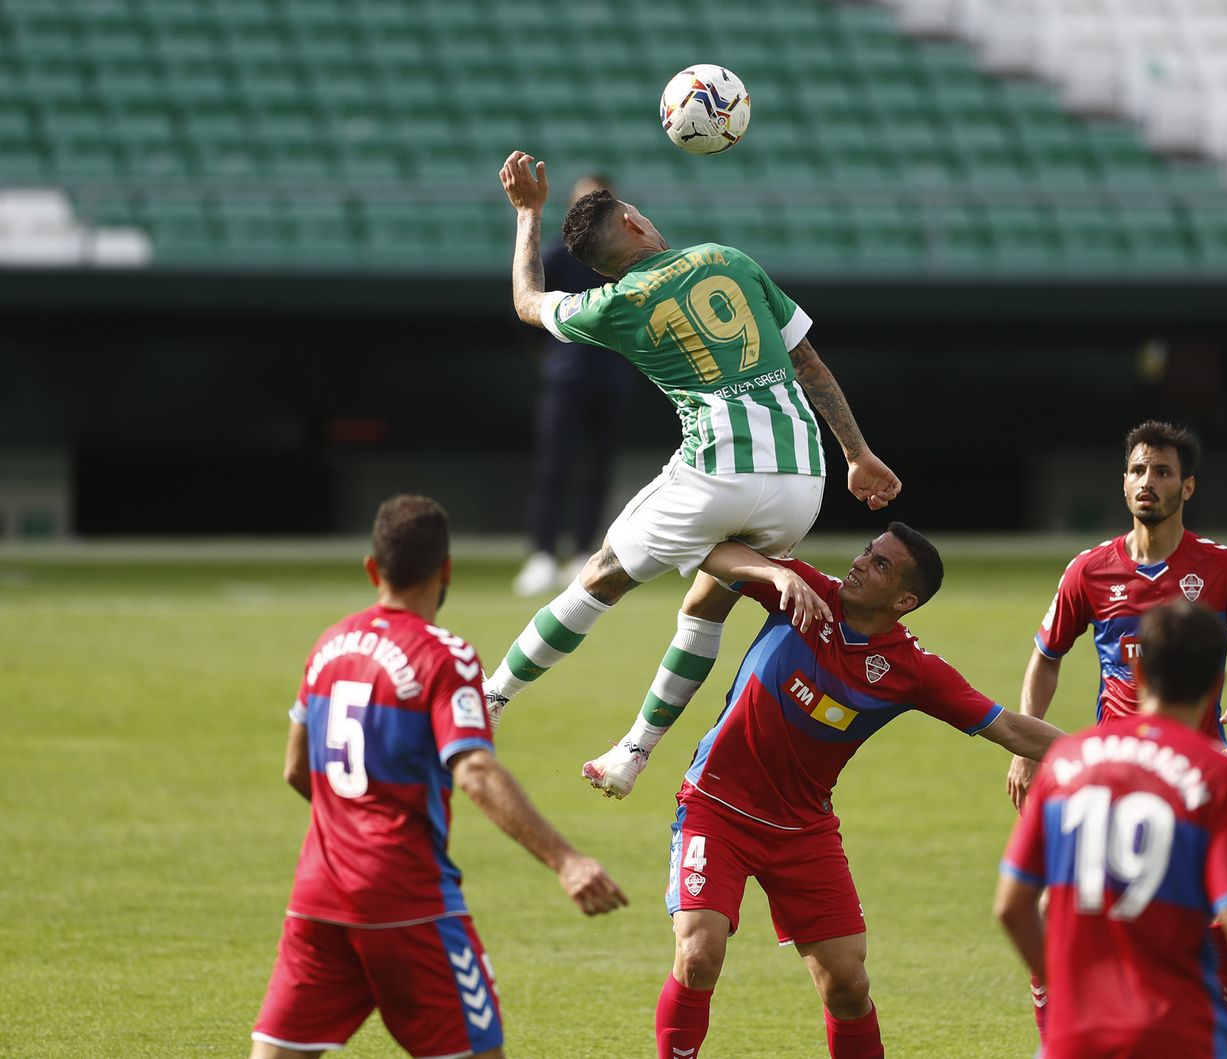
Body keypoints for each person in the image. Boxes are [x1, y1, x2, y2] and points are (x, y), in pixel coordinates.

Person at [485, 150, 902, 801]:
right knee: (705, 605)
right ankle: (633, 751)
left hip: (717, 475)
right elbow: (810, 364)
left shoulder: (612, 303)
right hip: (803, 483)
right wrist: (857, 452)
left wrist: (527, 214)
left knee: (600, 577)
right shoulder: (727, 258)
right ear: (629, 222)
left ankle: (492, 697)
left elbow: (527, 302)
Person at [653, 524, 1066, 1059]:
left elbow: (1009, 728)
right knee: (698, 955)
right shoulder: (802, 592)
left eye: (880, 565)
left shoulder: (912, 670)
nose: (859, 563)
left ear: (904, 600)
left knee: (848, 987)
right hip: (717, 808)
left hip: (803, 832)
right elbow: (714, 553)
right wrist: (772, 571)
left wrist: (1110, 753)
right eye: (867, 552)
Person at [249, 494, 628, 1059]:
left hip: (318, 898)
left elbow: (295, 769)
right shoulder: (444, 656)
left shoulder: (328, 646)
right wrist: (567, 861)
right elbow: (474, 769)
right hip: (409, 900)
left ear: (372, 569)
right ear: (446, 569)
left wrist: (349, 827)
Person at [1005, 420, 1227, 1043]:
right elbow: (1046, 656)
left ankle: (1215, 1035)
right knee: (1056, 905)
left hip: (1192, 769)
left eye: (1160, 472)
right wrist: (1029, 746)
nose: (1146, 483)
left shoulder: (1224, 570)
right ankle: (1059, 1033)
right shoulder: (1089, 571)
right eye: (1136, 471)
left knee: (1219, 919)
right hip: (1112, 768)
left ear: (1188, 487)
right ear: (1123, 482)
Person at [995, 600, 1227, 1057]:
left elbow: (1013, 906)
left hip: (1076, 1037)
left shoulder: (1067, 762)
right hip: (1177, 1033)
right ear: (1217, 684)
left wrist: (1068, 989)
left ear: (1140, 674)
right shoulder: (1218, 775)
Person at [512, 173, 639, 599]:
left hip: (612, 377)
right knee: (554, 466)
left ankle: (583, 552)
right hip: (566, 380)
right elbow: (529, 319)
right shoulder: (555, 257)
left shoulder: (627, 263)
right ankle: (542, 554)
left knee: (598, 469)